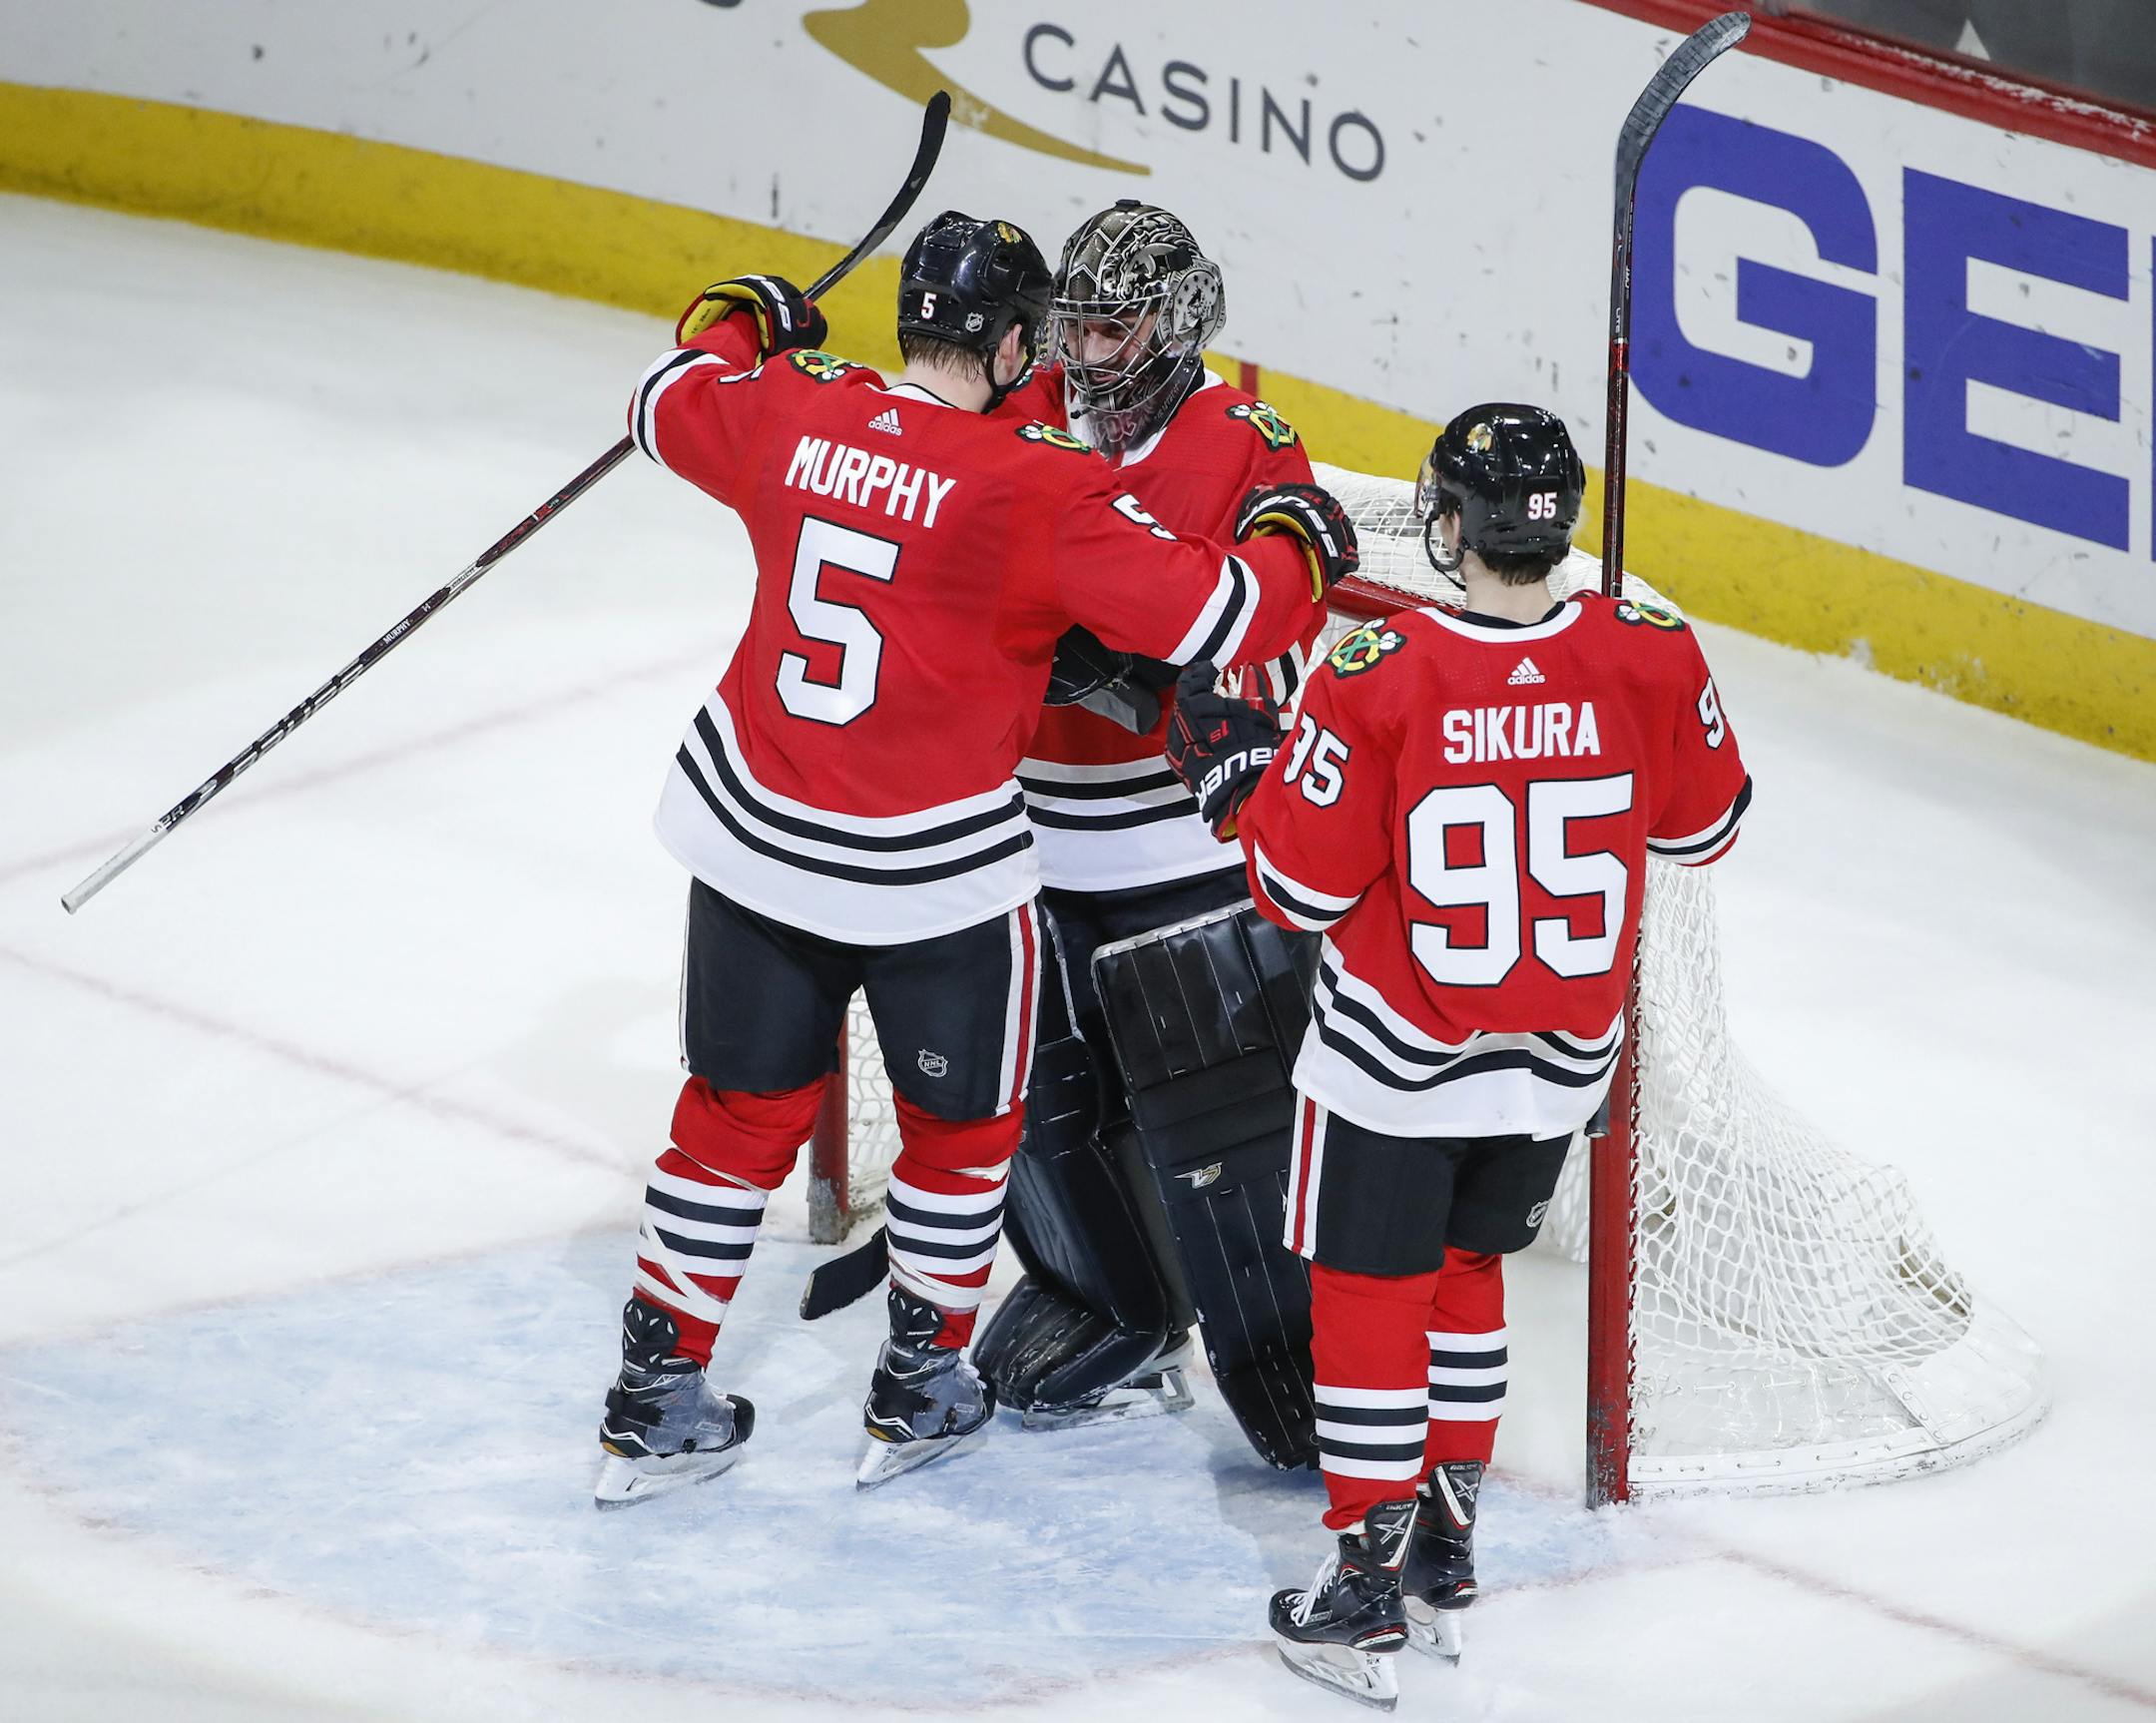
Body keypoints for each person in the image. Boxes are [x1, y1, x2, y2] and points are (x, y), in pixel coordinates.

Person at [591, 212, 1352, 1506]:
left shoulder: (802, 405)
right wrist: (1302, 549)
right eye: (1061, 329)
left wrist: (741, 320)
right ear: (1014, 343)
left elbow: (664, 399)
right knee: (966, 1130)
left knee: (729, 1118)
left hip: (753, 831)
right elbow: (1224, 608)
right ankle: (922, 1382)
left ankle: (653, 1390)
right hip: (933, 862)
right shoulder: (1033, 478)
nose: (1080, 353)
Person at [1163, 404, 1753, 1707]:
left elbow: (1299, 891)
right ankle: (1443, 1554)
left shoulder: (1380, 667)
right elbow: (1707, 827)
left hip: (1400, 1059)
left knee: (1371, 1296)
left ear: (1452, 524)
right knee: (1468, 1271)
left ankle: (1362, 1586)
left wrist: (1243, 777)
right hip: (1559, 1064)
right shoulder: (1650, 646)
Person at [967, 200, 1330, 1451]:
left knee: (1224, 1138)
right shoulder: (1021, 408)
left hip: (1183, 855)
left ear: (1176, 324)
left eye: (1112, 329)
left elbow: (1281, 607)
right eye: (1072, 327)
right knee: (1025, 1103)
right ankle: (1114, 1303)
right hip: (1025, 841)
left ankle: (1305, 1371)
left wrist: (1136, 671)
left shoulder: (1243, 440)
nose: (1085, 354)